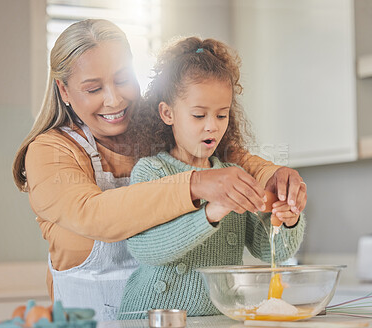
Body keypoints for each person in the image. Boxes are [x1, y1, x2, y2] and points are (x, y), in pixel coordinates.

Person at [12, 19, 307, 321]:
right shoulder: (50, 151)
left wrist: (278, 179)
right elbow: (95, 214)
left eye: (123, 79)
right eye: (93, 88)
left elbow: (235, 160)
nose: (114, 99)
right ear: (64, 90)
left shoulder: (164, 129)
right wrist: (195, 186)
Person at [118, 37, 305, 319]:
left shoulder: (235, 174)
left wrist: (288, 220)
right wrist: (211, 212)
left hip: (217, 318)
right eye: (198, 115)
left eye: (221, 115)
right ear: (167, 113)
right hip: (152, 317)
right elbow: (146, 249)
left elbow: (269, 252)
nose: (211, 126)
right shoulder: (151, 171)